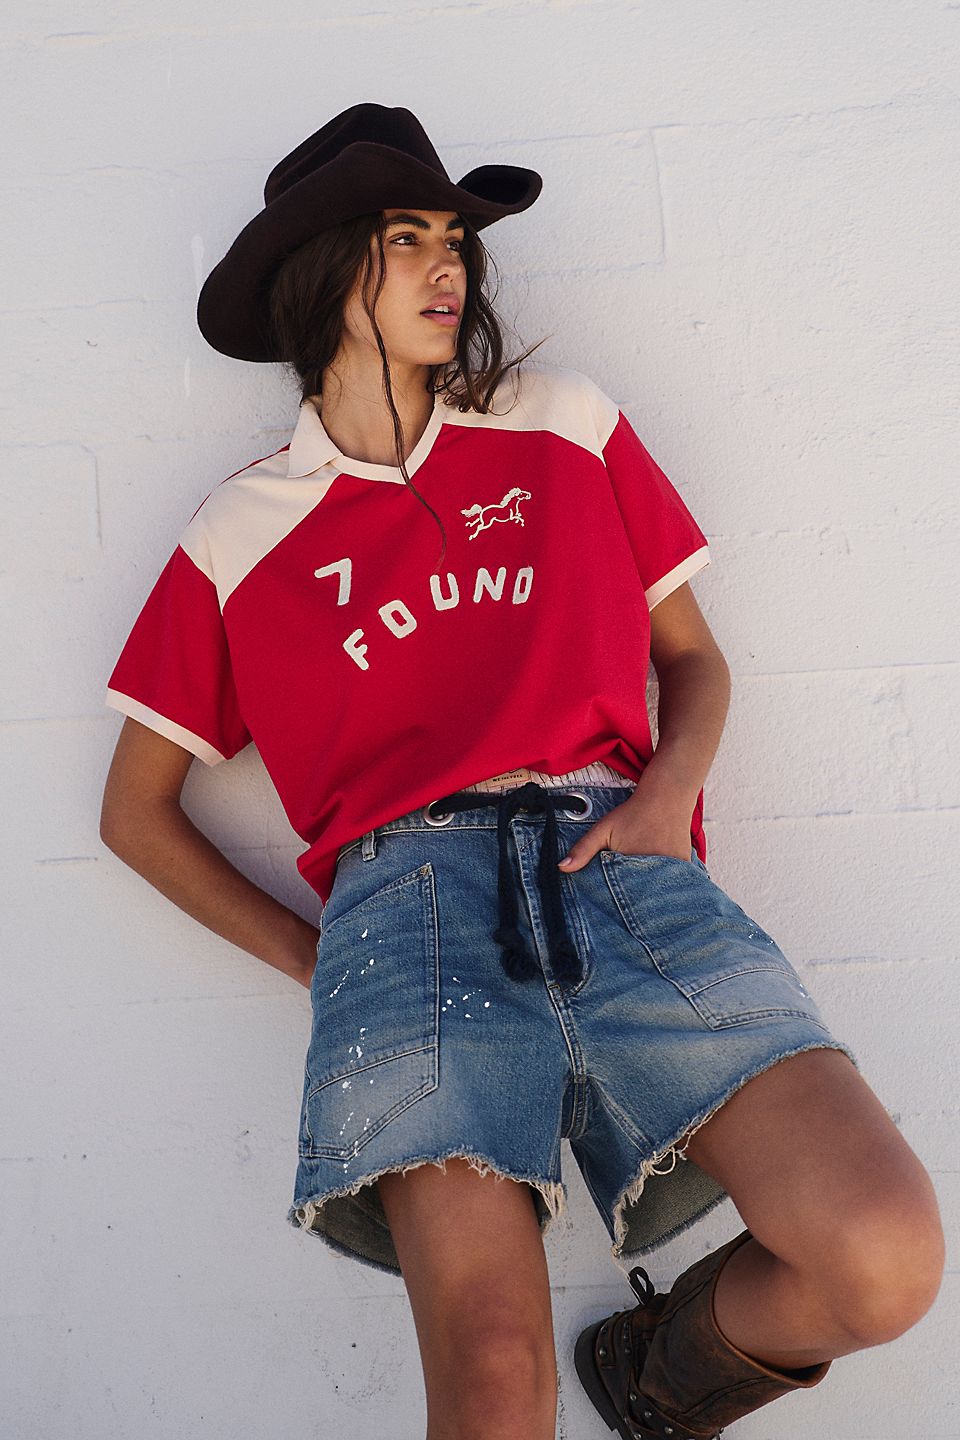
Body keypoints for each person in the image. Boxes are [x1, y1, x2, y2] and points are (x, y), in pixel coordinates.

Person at [100, 103, 944, 1440]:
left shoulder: (564, 426)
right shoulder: (238, 533)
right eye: (406, 238)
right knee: (494, 1383)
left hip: (622, 864)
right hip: (405, 919)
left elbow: (694, 660)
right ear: (321, 272)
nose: (449, 265)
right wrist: (322, 955)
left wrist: (666, 803)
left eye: (456, 240)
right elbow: (134, 812)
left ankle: (661, 1376)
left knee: (882, 1254)